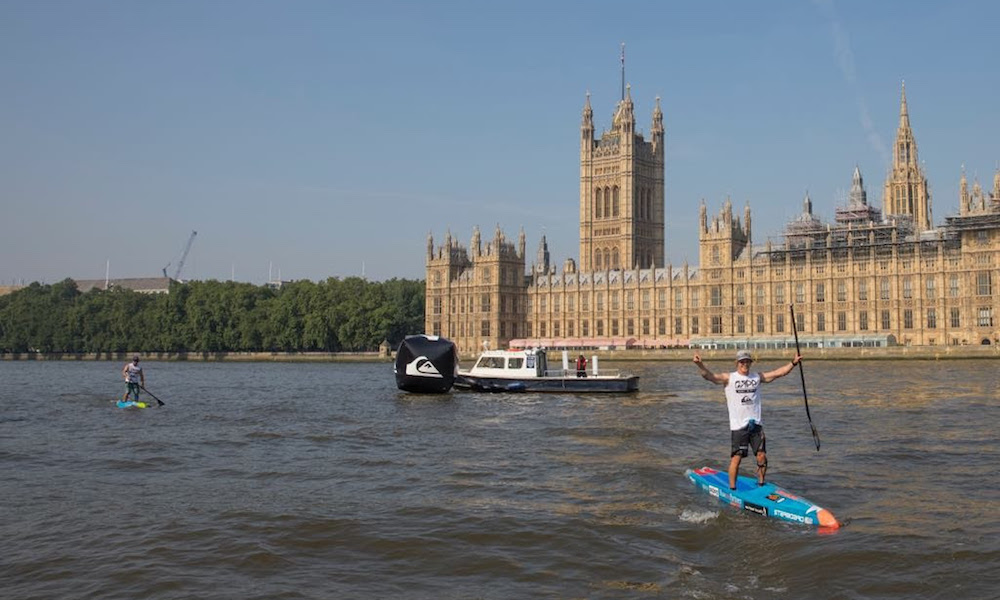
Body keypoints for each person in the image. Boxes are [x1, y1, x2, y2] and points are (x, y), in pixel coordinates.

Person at [693, 349, 801, 491]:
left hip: (756, 425)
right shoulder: (729, 378)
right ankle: (732, 489)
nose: (745, 364)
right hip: (739, 427)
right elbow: (710, 377)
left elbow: (778, 373)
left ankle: (761, 483)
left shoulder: (756, 377)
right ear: (737, 363)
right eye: (742, 361)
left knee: (761, 456)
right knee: (736, 458)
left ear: (751, 363)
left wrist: (793, 363)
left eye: (747, 361)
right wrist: (700, 365)